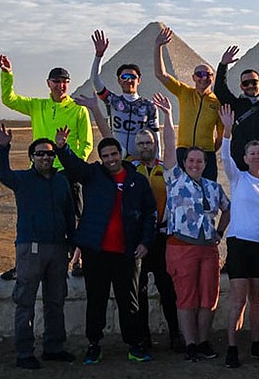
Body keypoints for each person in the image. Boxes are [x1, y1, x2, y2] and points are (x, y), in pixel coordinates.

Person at [54, 131, 156, 365]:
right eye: (106, 155)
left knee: (129, 301)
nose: (111, 159)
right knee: (96, 300)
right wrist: (62, 148)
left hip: (127, 252)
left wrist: (145, 242)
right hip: (96, 252)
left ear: (121, 154)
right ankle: (94, 345)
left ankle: (134, 345)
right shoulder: (94, 175)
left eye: (114, 154)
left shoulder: (137, 180)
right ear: (100, 158)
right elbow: (74, 165)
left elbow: (150, 213)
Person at [0, 55, 92, 280]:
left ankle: (78, 260)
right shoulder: (37, 106)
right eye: (56, 81)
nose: (61, 85)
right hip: (39, 171)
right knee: (30, 218)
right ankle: (22, 264)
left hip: (66, 173)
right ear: (48, 83)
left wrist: (70, 165)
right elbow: (9, 99)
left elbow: (86, 144)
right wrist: (7, 74)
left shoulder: (79, 110)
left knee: (76, 217)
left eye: (64, 81)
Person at [0, 123, 76, 369]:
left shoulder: (61, 182)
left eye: (49, 153)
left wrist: (71, 242)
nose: (45, 157)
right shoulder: (23, 180)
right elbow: (2, 173)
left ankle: (54, 347)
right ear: (31, 157)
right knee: (26, 300)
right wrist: (3, 147)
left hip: (58, 248)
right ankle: (24, 352)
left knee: (55, 300)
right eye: (40, 153)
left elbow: (69, 213)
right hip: (31, 249)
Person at [153, 94, 229, 362]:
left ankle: (204, 341)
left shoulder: (213, 187)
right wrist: (168, 117)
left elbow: (227, 209)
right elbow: (170, 146)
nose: (195, 164)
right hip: (180, 246)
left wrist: (219, 233)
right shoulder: (174, 180)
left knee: (208, 297)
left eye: (199, 161)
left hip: (208, 248)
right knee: (186, 297)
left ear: (205, 164)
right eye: (191, 161)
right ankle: (190, 345)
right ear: (185, 163)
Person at [217, 105, 259, 369]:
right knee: (238, 298)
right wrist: (228, 129)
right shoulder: (238, 178)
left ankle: (256, 343)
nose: (256, 156)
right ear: (245, 158)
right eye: (252, 153)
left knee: (258, 299)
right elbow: (224, 156)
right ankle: (232, 346)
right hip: (239, 243)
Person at [125, 127, 183, 352]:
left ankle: (175, 335)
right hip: (138, 239)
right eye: (140, 143)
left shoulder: (164, 168)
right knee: (139, 290)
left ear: (154, 144)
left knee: (167, 289)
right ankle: (144, 337)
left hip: (162, 236)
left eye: (148, 142)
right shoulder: (131, 169)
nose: (144, 147)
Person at [153, 26, 223, 180]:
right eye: (199, 74)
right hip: (183, 152)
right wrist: (158, 46)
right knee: (182, 194)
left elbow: (221, 135)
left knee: (208, 194)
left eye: (207, 74)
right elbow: (161, 74)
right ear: (193, 77)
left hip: (206, 156)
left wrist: (209, 151)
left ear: (213, 77)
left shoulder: (217, 103)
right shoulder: (184, 92)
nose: (203, 77)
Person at [89, 29, 159, 156]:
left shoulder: (149, 106)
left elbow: (155, 136)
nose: (129, 80)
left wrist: (157, 161)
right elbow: (95, 80)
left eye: (132, 77)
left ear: (139, 80)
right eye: (124, 77)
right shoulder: (112, 101)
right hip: (117, 159)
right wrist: (99, 56)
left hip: (140, 161)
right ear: (118, 80)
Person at [215, 45, 259, 175]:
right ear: (241, 86)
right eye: (246, 83)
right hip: (239, 167)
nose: (250, 85)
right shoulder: (235, 105)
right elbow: (220, 90)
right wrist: (223, 65)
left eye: (254, 82)